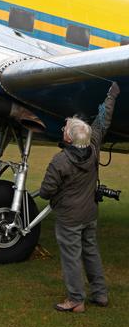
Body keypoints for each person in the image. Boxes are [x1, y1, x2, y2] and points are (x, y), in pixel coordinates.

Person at [40, 82, 120, 313]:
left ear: (69, 139)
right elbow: (103, 120)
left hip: (69, 218)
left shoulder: (60, 162)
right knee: (91, 252)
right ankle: (100, 294)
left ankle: (75, 299)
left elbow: (46, 192)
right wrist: (111, 95)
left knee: (71, 257)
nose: (65, 128)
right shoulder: (93, 145)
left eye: (67, 128)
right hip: (89, 213)